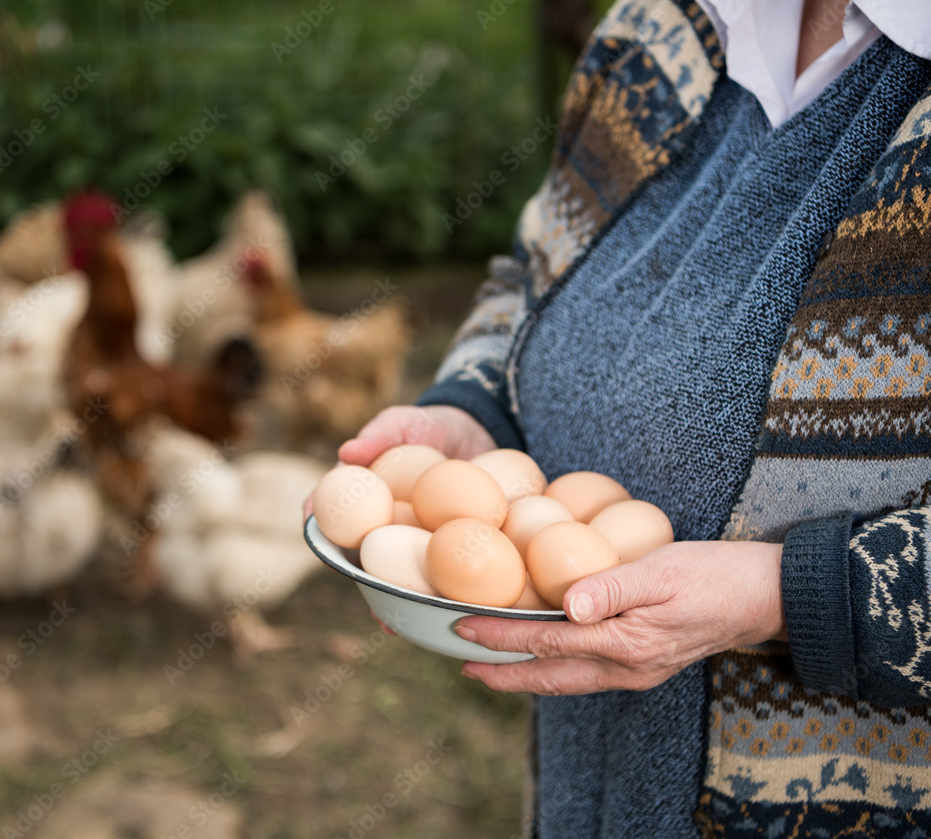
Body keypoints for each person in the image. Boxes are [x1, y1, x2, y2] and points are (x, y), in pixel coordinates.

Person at [330, 0, 931, 835]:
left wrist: (794, 596)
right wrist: (475, 404)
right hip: (590, 776)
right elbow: (540, 269)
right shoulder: (659, 25)